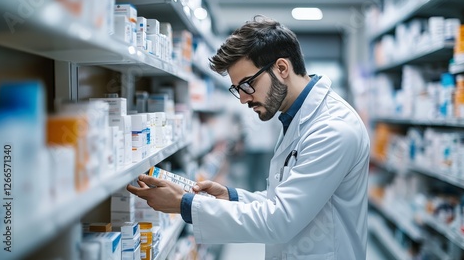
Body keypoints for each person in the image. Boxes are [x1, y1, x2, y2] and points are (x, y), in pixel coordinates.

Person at [127, 15, 370, 260]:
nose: (243, 99)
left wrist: (185, 204)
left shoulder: (332, 128)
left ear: (282, 68)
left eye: (247, 84)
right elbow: (285, 198)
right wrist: (231, 197)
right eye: (237, 90)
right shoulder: (295, 117)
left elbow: (281, 219)